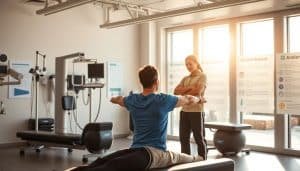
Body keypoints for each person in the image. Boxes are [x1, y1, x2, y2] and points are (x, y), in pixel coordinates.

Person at [68, 65, 205, 171]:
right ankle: (198, 158)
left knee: (105, 163)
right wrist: (199, 99)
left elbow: (117, 99)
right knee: (106, 163)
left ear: (141, 81)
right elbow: (188, 99)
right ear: (156, 81)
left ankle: (198, 158)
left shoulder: (132, 100)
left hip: (139, 150)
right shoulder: (164, 100)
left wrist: (115, 99)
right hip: (154, 153)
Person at [174, 55, 207, 160]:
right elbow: (175, 91)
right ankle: (186, 161)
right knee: (183, 138)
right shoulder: (185, 78)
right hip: (184, 111)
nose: (188, 66)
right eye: (186, 64)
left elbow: (198, 91)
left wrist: (184, 90)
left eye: (190, 64)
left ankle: (203, 161)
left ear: (196, 63)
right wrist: (190, 88)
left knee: (199, 138)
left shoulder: (202, 76)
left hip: (196, 112)